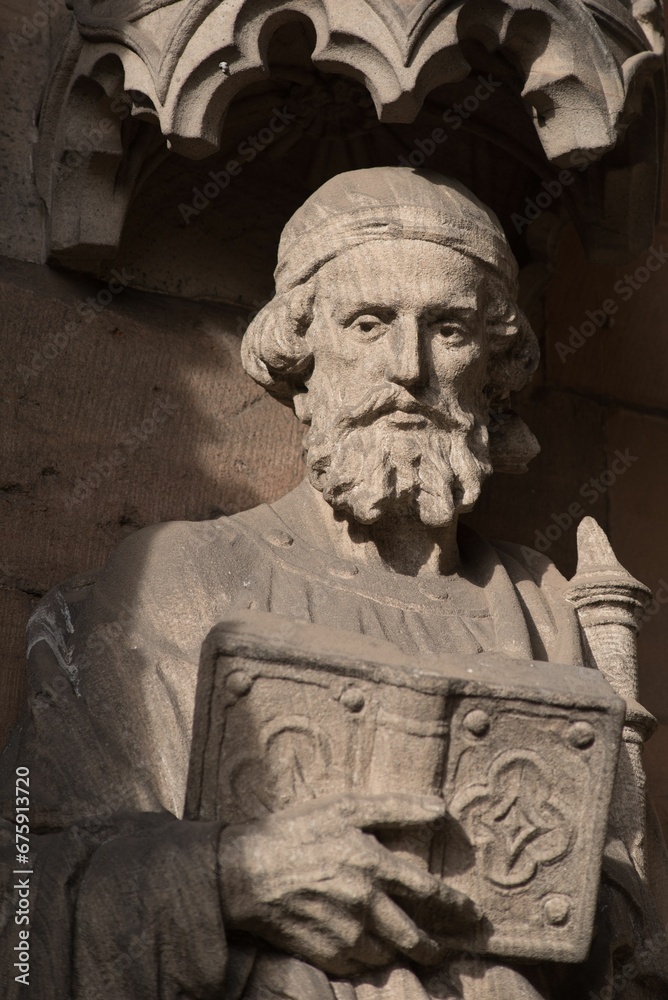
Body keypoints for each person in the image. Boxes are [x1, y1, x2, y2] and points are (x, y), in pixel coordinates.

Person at [1, 168, 666, 998]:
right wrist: (229, 877)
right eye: (368, 322)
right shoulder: (187, 576)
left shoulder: (543, 606)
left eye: (450, 330)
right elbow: (26, 895)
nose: (408, 368)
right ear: (303, 357)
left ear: (493, 373)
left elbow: (629, 949)